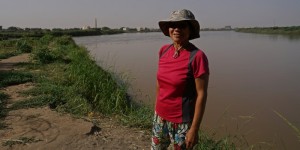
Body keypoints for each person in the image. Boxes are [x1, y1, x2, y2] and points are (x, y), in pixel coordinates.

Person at [151, 9, 209, 150]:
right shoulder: (163, 51)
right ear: (168, 29)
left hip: (182, 122)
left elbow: (201, 94)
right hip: (160, 117)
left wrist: (194, 129)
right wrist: (156, 110)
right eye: (173, 25)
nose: (177, 29)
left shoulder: (197, 57)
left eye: (182, 25)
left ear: (190, 30)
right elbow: (159, 83)